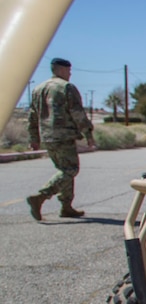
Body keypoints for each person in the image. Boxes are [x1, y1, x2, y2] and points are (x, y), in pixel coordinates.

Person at [26, 56, 96, 220]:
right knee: (70, 170)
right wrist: (88, 134)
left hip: (47, 136)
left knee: (64, 170)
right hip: (63, 136)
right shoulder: (66, 88)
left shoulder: (38, 89)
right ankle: (40, 197)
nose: (70, 74)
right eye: (69, 71)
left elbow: (32, 116)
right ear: (62, 70)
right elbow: (78, 113)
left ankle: (66, 206)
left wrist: (34, 138)